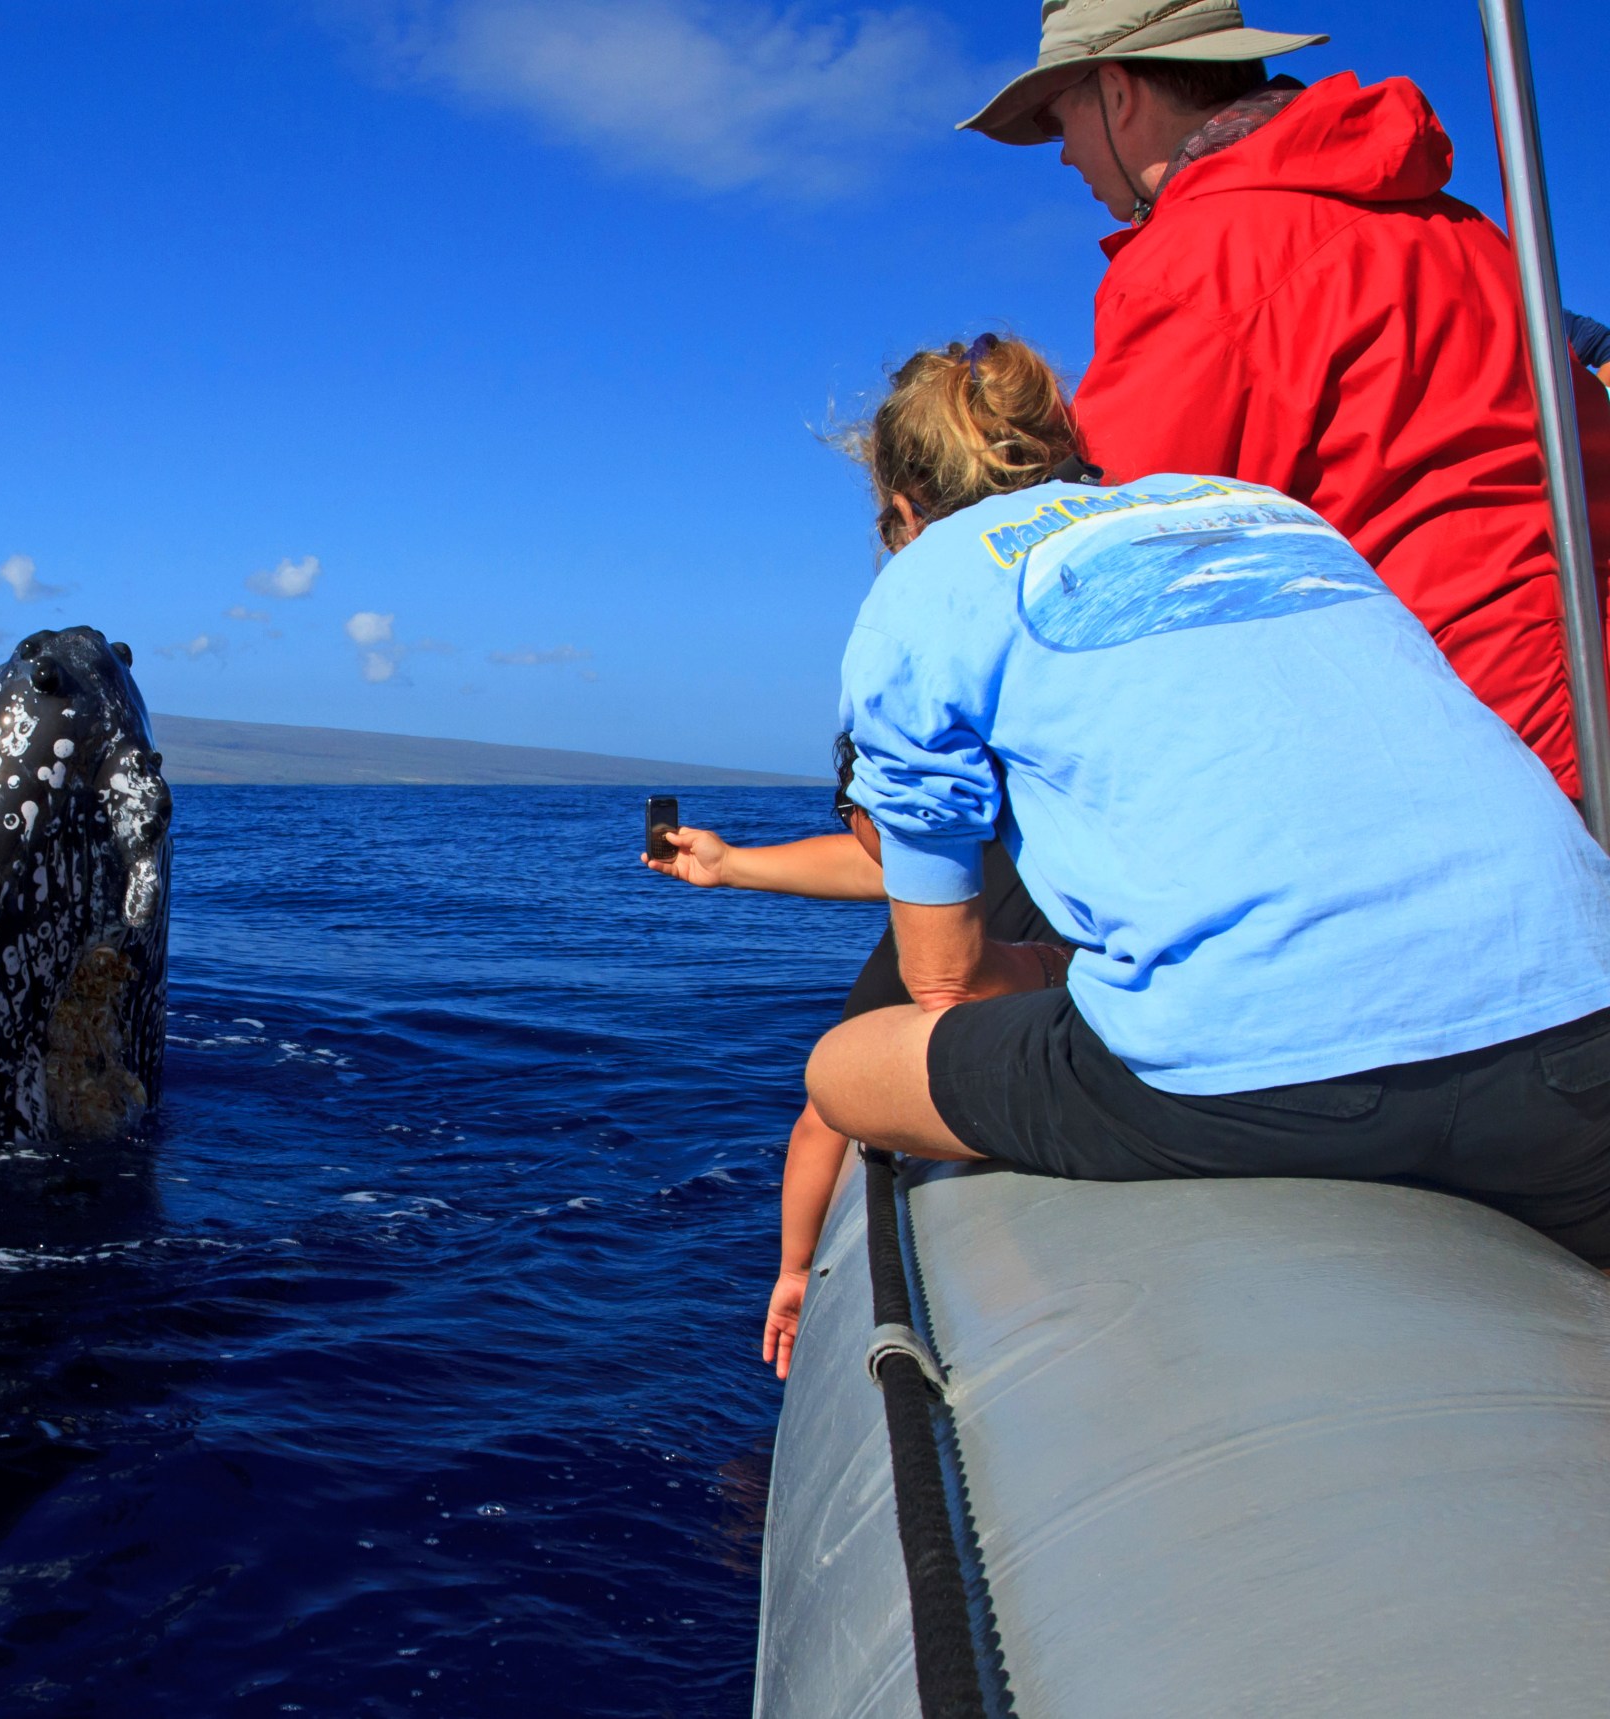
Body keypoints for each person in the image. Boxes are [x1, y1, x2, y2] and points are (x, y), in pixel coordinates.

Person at [798, 334, 1610, 1296]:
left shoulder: (924, 582)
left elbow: (950, 984)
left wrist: (1062, 965)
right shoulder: (1267, 512)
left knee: (841, 1069)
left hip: (1254, 1072)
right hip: (1579, 1017)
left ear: (902, 512)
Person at [959, 0, 1610, 800]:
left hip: (1468, 750)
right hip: (1583, 694)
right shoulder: (1453, 223)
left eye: (1062, 123)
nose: (1065, 158)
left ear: (1118, 93)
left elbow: (1117, 570)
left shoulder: (1196, 259)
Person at [646, 738, 1069, 1376]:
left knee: (836, 1082)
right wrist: (729, 863)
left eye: (854, 811)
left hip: (1021, 1105)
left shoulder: (946, 930)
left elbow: (824, 1117)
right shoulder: (1026, 843)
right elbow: (875, 866)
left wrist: (794, 1272)